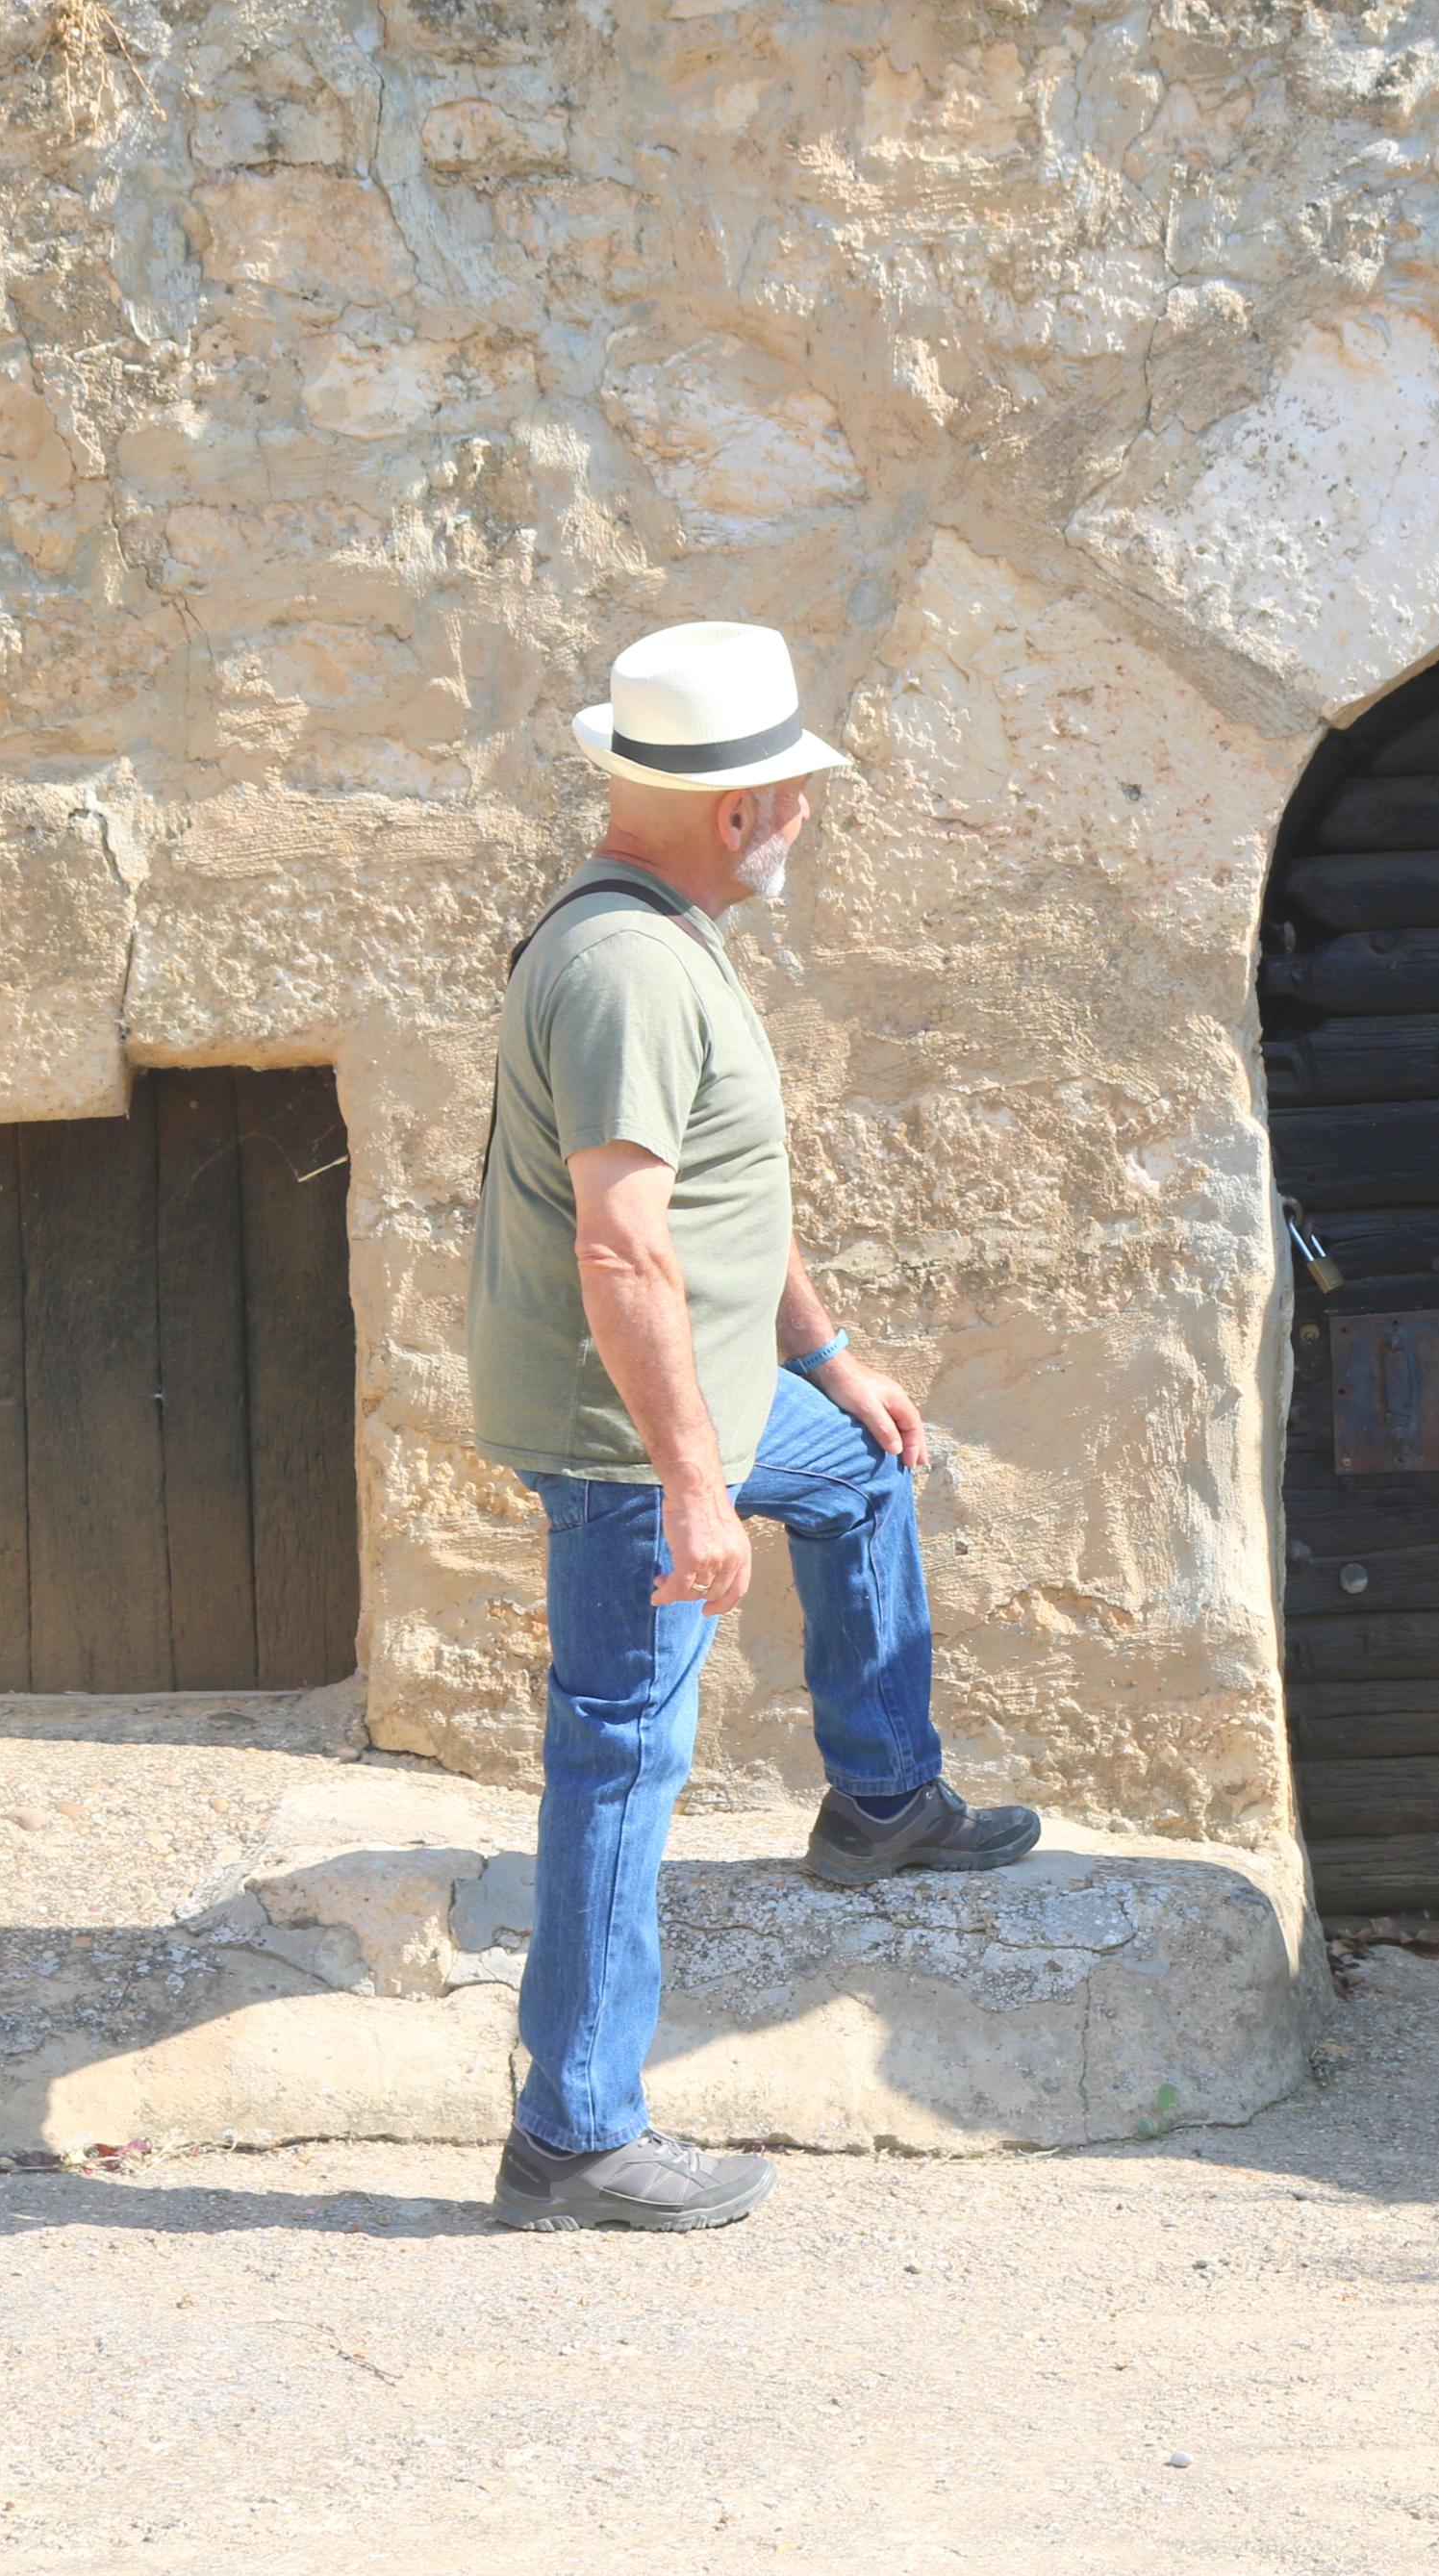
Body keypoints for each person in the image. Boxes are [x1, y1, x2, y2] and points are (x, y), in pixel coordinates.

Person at [468, 620, 1041, 2233]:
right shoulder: (632, 971)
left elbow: (723, 1197)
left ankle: (880, 1801)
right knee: (619, 1757)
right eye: (796, 796)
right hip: (630, 1439)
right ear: (738, 811)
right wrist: (692, 1487)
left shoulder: (666, 932)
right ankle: (573, 2137)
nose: (805, 819)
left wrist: (831, 1358)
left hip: (713, 1407)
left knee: (861, 1468)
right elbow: (623, 1245)